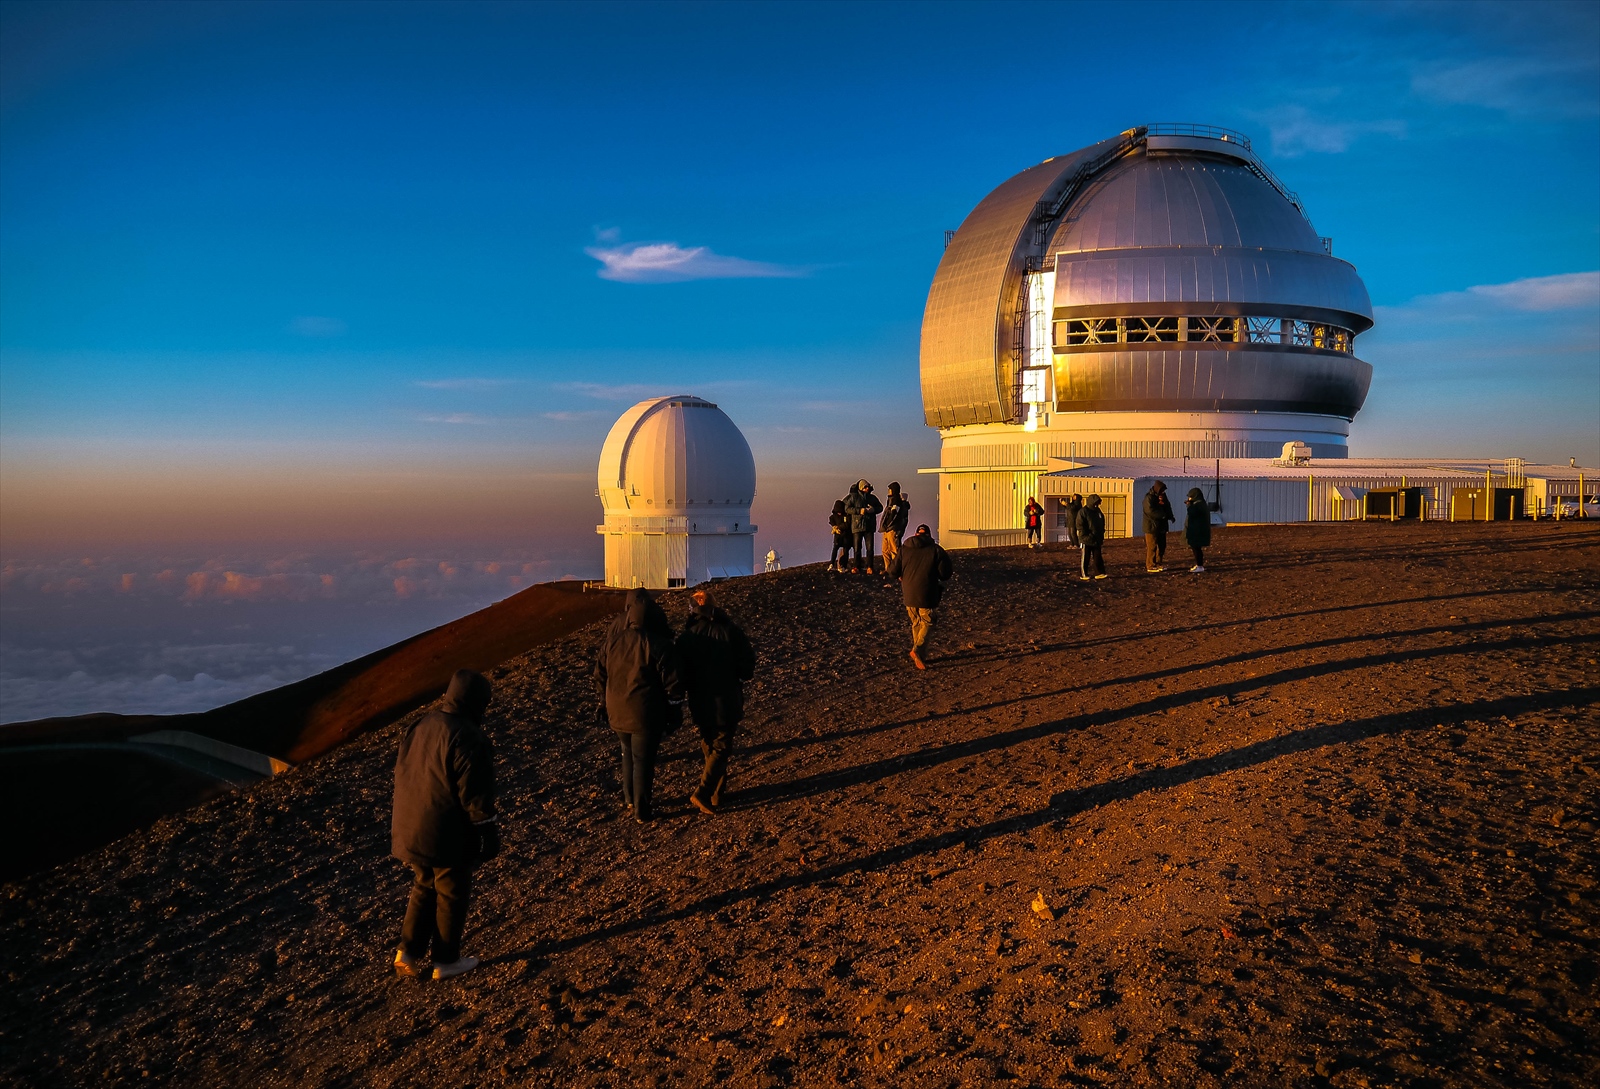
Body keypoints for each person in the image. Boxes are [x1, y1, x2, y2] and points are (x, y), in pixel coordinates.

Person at [391, 668, 499, 981]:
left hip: (411, 824)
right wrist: (488, 831)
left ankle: (407, 952)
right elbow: (474, 794)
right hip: (444, 831)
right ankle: (446, 960)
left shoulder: (422, 724)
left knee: (424, 883)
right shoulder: (468, 736)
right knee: (452, 891)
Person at [594, 588, 682, 823]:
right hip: (645, 713)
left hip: (617, 711)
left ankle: (629, 798)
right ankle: (642, 810)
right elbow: (672, 683)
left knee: (628, 754)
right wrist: (674, 710)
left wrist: (603, 701)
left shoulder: (612, 642)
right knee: (643, 761)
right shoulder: (658, 645)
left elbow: (600, 674)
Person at [675, 588, 756, 814]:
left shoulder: (687, 637)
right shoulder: (730, 631)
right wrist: (737, 676)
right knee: (721, 746)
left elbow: (679, 670)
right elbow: (747, 665)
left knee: (709, 742)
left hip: (700, 698)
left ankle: (716, 793)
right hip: (726, 697)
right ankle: (704, 792)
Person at [887, 523, 952, 670]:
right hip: (927, 592)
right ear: (929, 536)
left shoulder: (904, 549)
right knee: (928, 621)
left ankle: (920, 656)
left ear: (916, 534)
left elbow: (892, 571)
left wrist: (901, 575)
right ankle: (918, 650)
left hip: (909, 593)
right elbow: (945, 573)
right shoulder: (936, 550)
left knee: (916, 622)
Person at [845, 480, 884, 575]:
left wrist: (873, 510)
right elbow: (847, 508)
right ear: (861, 488)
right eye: (865, 487)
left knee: (870, 548)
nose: (867, 488)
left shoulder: (872, 498)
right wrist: (859, 511)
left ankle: (870, 567)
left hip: (869, 526)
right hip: (857, 526)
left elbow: (880, 507)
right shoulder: (854, 497)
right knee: (857, 548)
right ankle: (856, 566)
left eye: (868, 487)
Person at [880, 482, 911, 585]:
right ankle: (888, 568)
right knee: (885, 549)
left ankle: (897, 570)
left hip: (892, 528)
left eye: (890, 489)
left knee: (894, 549)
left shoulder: (896, 501)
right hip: (887, 529)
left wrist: (888, 523)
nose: (888, 491)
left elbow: (894, 514)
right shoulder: (891, 500)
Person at [1143, 481, 1175, 572]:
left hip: (1161, 525)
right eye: (1162, 490)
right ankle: (1150, 565)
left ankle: (1158, 563)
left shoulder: (1163, 497)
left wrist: (1170, 516)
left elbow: (1167, 506)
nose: (1163, 492)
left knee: (1162, 546)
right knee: (1152, 546)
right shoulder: (1149, 497)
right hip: (1151, 526)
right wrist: (1163, 515)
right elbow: (1150, 511)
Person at [1076, 494, 1107, 580]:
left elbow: (1102, 521)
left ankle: (1099, 573)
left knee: (1097, 557)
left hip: (1096, 538)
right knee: (1085, 557)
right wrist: (1087, 536)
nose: (1097, 505)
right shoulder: (1083, 512)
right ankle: (1084, 574)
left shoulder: (1098, 511)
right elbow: (1080, 525)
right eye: (1096, 503)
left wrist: (1101, 532)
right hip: (1086, 539)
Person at [1184, 487, 1212, 572]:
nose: (1189, 498)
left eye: (1190, 497)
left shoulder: (1198, 505)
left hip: (1197, 531)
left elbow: (1192, 513)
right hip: (1199, 530)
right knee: (1196, 548)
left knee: (1196, 548)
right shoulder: (1202, 504)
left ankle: (1199, 566)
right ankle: (1199, 565)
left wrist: (1189, 505)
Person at [828, 499, 853, 573]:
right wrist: (834, 526)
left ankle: (842, 566)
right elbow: (831, 520)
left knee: (844, 550)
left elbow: (847, 524)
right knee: (836, 549)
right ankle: (832, 564)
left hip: (845, 536)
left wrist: (837, 527)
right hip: (839, 536)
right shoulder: (835, 516)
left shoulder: (845, 516)